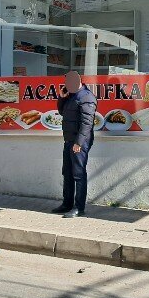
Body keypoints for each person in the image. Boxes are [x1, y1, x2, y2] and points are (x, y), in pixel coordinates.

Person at [51, 71, 97, 218]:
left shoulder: (87, 97)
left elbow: (87, 123)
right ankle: (67, 203)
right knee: (67, 172)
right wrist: (62, 98)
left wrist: (79, 142)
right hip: (69, 140)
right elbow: (61, 111)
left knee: (78, 174)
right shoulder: (71, 96)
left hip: (79, 142)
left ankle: (79, 207)